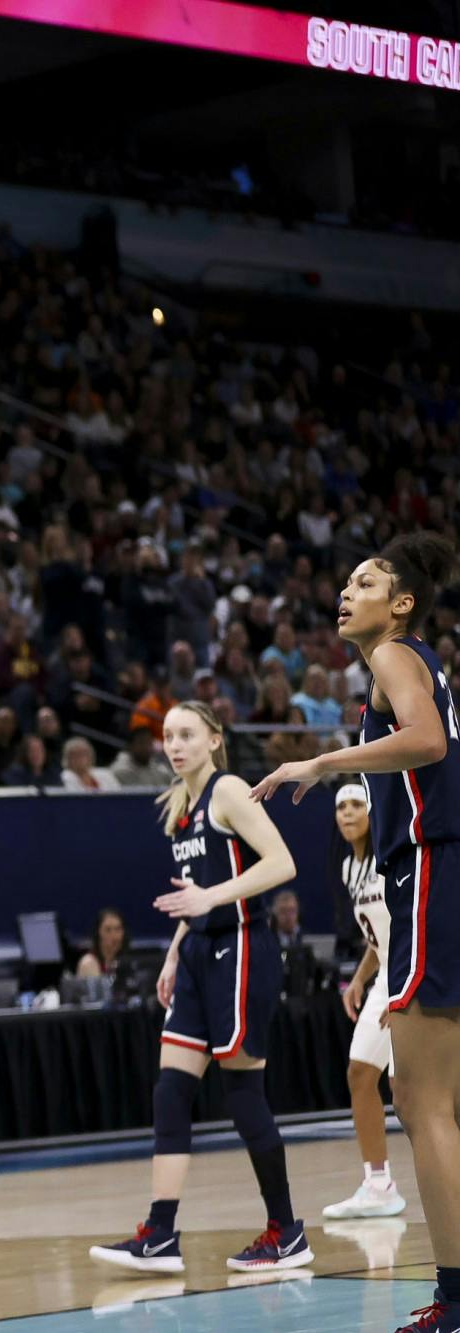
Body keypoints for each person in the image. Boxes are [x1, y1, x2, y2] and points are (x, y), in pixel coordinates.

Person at [254, 533, 460, 1333]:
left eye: (365, 581)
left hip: (431, 872)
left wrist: (322, 762)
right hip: (437, 872)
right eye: (344, 581)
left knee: (421, 1096)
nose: (346, 591)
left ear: (401, 601)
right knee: (438, 1097)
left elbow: (428, 740)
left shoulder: (396, 655)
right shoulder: (416, 658)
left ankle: (455, 1299)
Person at [91, 701, 310, 1276]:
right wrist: (171, 954)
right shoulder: (180, 807)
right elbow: (197, 893)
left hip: (240, 948)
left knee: (242, 1095)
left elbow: (282, 863)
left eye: (187, 734)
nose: (175, 744)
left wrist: (210, 900)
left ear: (215, 740)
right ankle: (160, 1233)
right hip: (196, 955)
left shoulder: (229, 790)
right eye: (168, 736)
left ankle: (286, 1231)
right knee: (170, 1091)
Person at [320, 783, 409, 1222]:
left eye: (357, 804)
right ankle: (379, 1184)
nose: (348, 813)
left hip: (413, 976)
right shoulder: (348, 869)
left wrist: (406, 988)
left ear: (373, 813)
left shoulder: (391, 859)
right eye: (341, 807)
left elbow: (411, 927)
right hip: (385, 979)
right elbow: (379, 939)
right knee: (360, 1073)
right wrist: (358, 980)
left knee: (407, 1090)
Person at [75, 908, 129, 979]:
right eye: (108, 930)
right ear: (98, 933)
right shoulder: (89, 963)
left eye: (118, 929)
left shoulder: (122, 963)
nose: (114, 936)